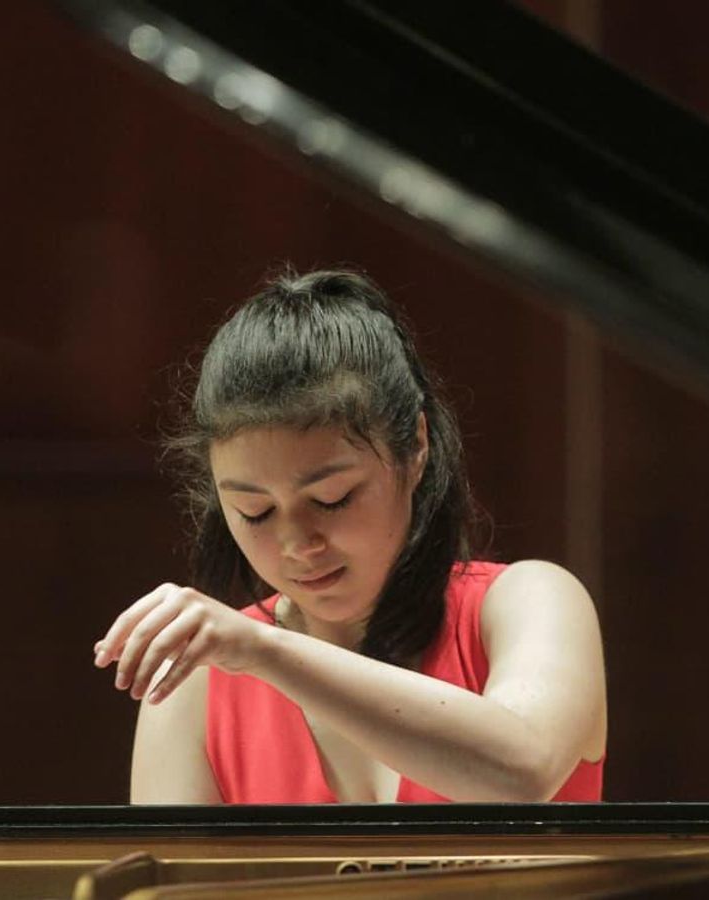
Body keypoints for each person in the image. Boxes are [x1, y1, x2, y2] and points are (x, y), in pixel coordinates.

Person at [93, 268, 607, 803]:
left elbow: (522, 775)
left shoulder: (531, 601)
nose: (297, 544)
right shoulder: (196, 689)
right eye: (255, 511)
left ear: (416, 448)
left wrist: (265, 652)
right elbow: (178, 888)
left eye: (333, 498)